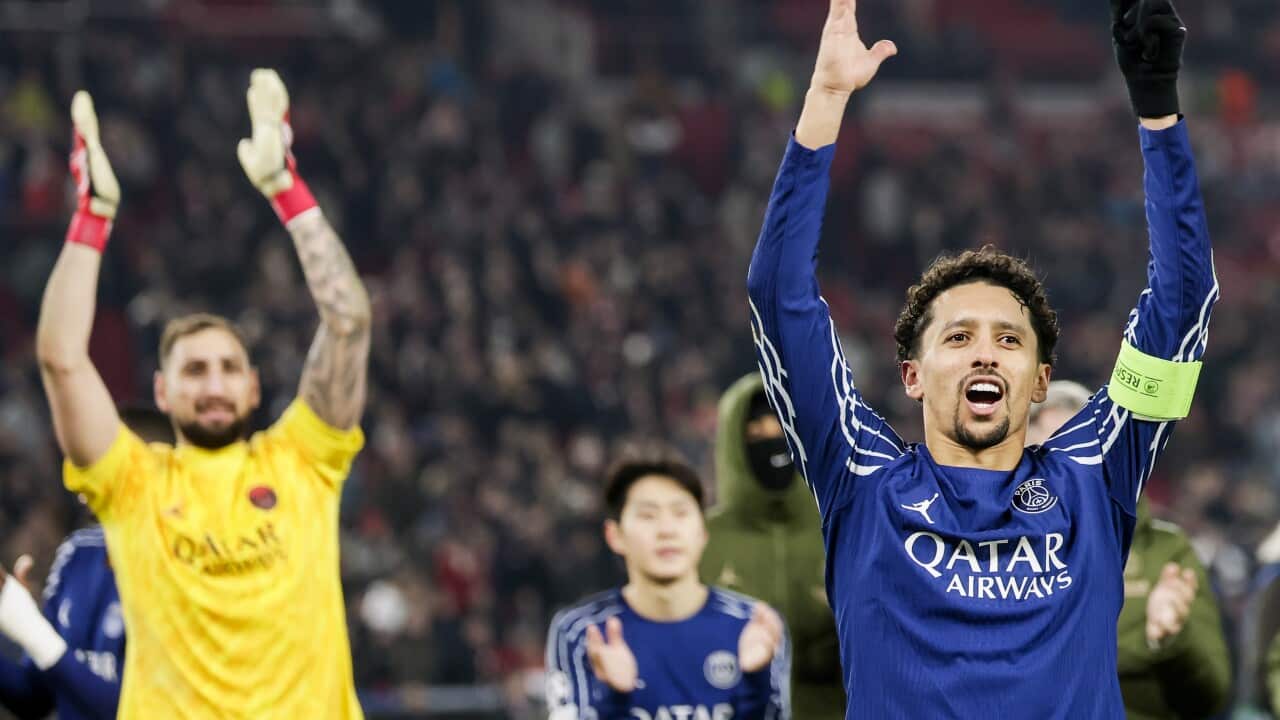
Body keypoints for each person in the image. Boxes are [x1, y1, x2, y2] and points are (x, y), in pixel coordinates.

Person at [745, 0, 1217, 714]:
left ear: (1041, 382)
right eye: (958, 338)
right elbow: (779, 299)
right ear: (911, 374)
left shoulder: (1098, 473)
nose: (986, 355)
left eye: (1009, 339)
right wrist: (825, 103)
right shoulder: (861, 478)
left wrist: (1159, 115)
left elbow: (1181, 309)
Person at [35, 70, 371, 717]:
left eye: (226, 368)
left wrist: (284, 188)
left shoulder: (303, 460)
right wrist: (93, 218)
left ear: (254, 387)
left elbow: (349, 321)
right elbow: (61, 358)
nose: (213, 385)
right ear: (161, 391)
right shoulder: (133, 482)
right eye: (194, 372)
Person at [1028, 381, 1230, 719]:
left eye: (1073, 452)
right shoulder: (987, 548)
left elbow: (1212, 696)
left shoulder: (1164, 552)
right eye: (1041, 453)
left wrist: (1169, 642)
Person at [545, 454, 790, 720]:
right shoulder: (581, 632)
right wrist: (614, 701)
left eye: (680, 513)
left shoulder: (753, 626)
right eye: (648, 516)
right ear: (614, 535)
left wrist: (757, 682)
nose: (666, 530)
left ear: (703, 532)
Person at [0, 408, 173, 720]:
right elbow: (33, 697)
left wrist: (32, 630)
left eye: (95, 463)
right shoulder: (78, 552)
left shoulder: (189, 571)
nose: (77, 479)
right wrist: (16, 621)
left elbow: (123, 711)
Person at [699, 374, 843, 719]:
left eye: (780, 426)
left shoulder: (844, 530)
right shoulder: (699, 540)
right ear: (732, 443)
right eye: (755, 431)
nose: (771, 439)